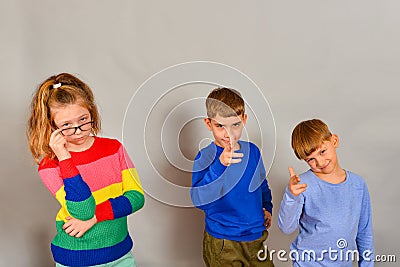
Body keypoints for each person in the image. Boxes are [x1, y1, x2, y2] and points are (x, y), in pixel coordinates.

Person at [27, 73, 145, 267]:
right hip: (77, 258)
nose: (78, 130)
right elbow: (82, 211)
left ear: (91, 111)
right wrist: (64, 157)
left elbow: (136, 197)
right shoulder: (50, 166)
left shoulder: (113, 149)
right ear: (52, 126)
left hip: (120, 253)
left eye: (83, 119)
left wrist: (96, 217)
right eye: (66, 125)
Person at [191, 87, 274, 267]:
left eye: (235, 125)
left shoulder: (253, 151)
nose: (228, 134)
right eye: (220, 126)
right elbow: (199, 200)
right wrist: (220, 165)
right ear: (208, 123)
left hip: (255, 237)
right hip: (223, 242)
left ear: (244, 120)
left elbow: (261, 185)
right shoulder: (205, 157)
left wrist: (267, 207)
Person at [278, 119, 374, 266]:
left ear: (334, 141)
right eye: (311, 159)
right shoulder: (300, 185)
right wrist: (292, 196)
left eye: (323, 152)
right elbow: (286, 228)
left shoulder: (358, 185)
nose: (320, 162)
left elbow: (364, 233)